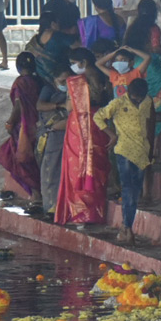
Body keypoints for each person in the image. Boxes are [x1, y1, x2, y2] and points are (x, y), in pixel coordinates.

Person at [94, 78, 155, 245]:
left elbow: (151, 124)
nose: (138, 100)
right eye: (135, 98)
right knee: (128, 189)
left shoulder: (148, 101)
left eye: (140, 98)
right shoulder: (118, 103)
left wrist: (151, 150)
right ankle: (126, 227)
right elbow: (98, 117)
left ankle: (126, 227)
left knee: (135, 192)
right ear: (129, 93)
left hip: (142, 151)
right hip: (124, 150)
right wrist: (111, 135)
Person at [55, 52, 111, 226]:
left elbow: (70, 106)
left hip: (79, 125)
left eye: (74, 62)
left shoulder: (77, 80)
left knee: (77, 167)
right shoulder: (101, 76)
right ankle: (94, 213)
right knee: (94, 167)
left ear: (83, 62)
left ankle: (81, 213)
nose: (72, 66)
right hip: (97, 122)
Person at [0, 52, 45, 207]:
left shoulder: (20, 83)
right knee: (35, 159)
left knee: (22, 158)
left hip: (23, 126)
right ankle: (39, 193)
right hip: (38, 124)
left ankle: (37, 194)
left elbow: (18, 105)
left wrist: (10, 123)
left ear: (18, 67)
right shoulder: (39, 81)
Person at [123, 0, 161, 118]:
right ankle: (160, 112)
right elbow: (156, 49)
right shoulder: (153, 28)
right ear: (154, 12)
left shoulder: (132, 28)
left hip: (135, 64)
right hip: (149, 65)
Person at [36, 66, 71, 215]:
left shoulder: (75, 90)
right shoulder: (49, 90)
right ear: (55, 80)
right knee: (50, 171)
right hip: (52, 136)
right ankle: (51, 206)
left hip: (70, 135)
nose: (66, 84)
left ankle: (65, 206)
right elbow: (39, 105)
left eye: (68, 81)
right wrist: (60, 105)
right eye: (62, 81)